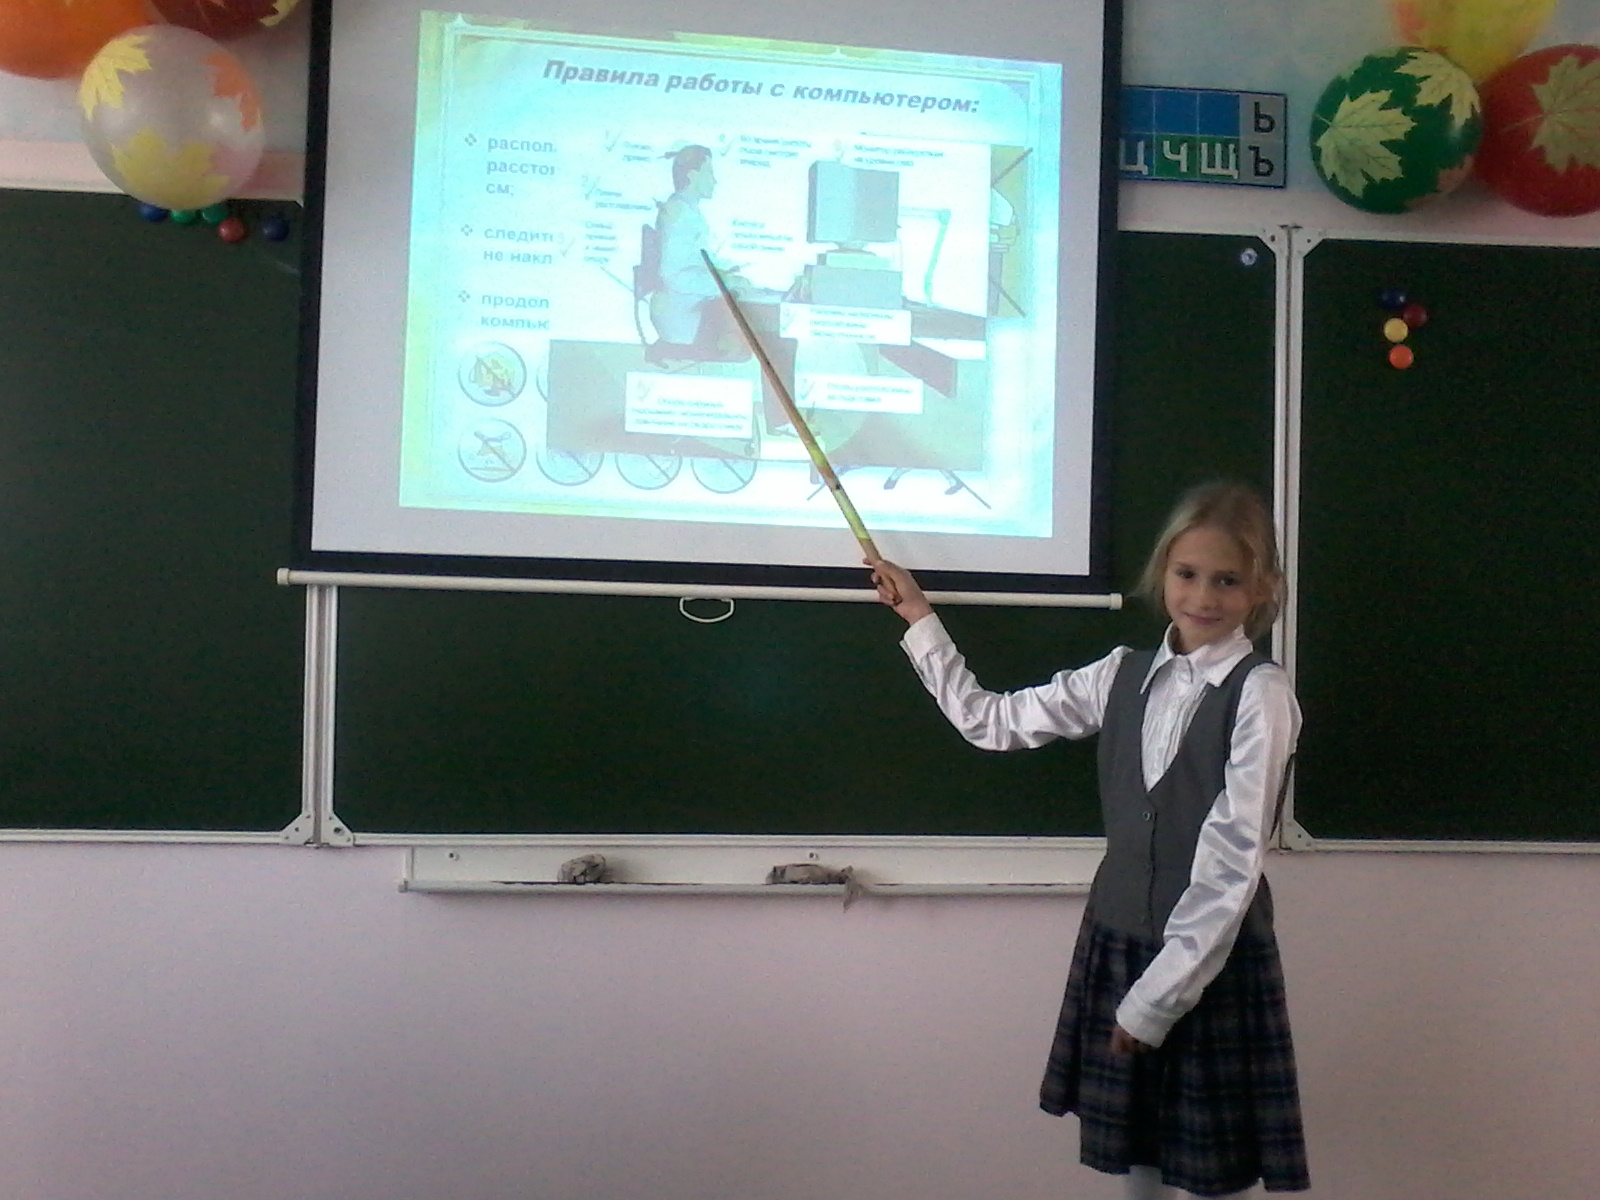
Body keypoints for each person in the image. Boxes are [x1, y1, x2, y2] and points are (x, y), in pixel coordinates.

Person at [869, 482, 1309, 1200]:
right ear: (1163, 573)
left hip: (1206, 957)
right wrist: (920, 618)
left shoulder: (1260, 693)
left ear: (1262, 589)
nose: (1203, 596)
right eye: (1188, 574)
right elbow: (991, 722)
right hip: (1120, 936)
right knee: (1135, 1157)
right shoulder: (1118, 673)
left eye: (1227, 580)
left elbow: (1232, 864)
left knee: (1210, 1171)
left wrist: (1154, 1001)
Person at [647, 144, 749, 362]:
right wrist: (724, 283)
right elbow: (673, 275)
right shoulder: (680, 214)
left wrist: (729, 271)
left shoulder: (686, 210)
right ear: (693, 175)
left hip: (685, 306)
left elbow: (696, 258)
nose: (715, 181)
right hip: (681, 318)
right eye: (709, 173)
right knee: (745, 345)